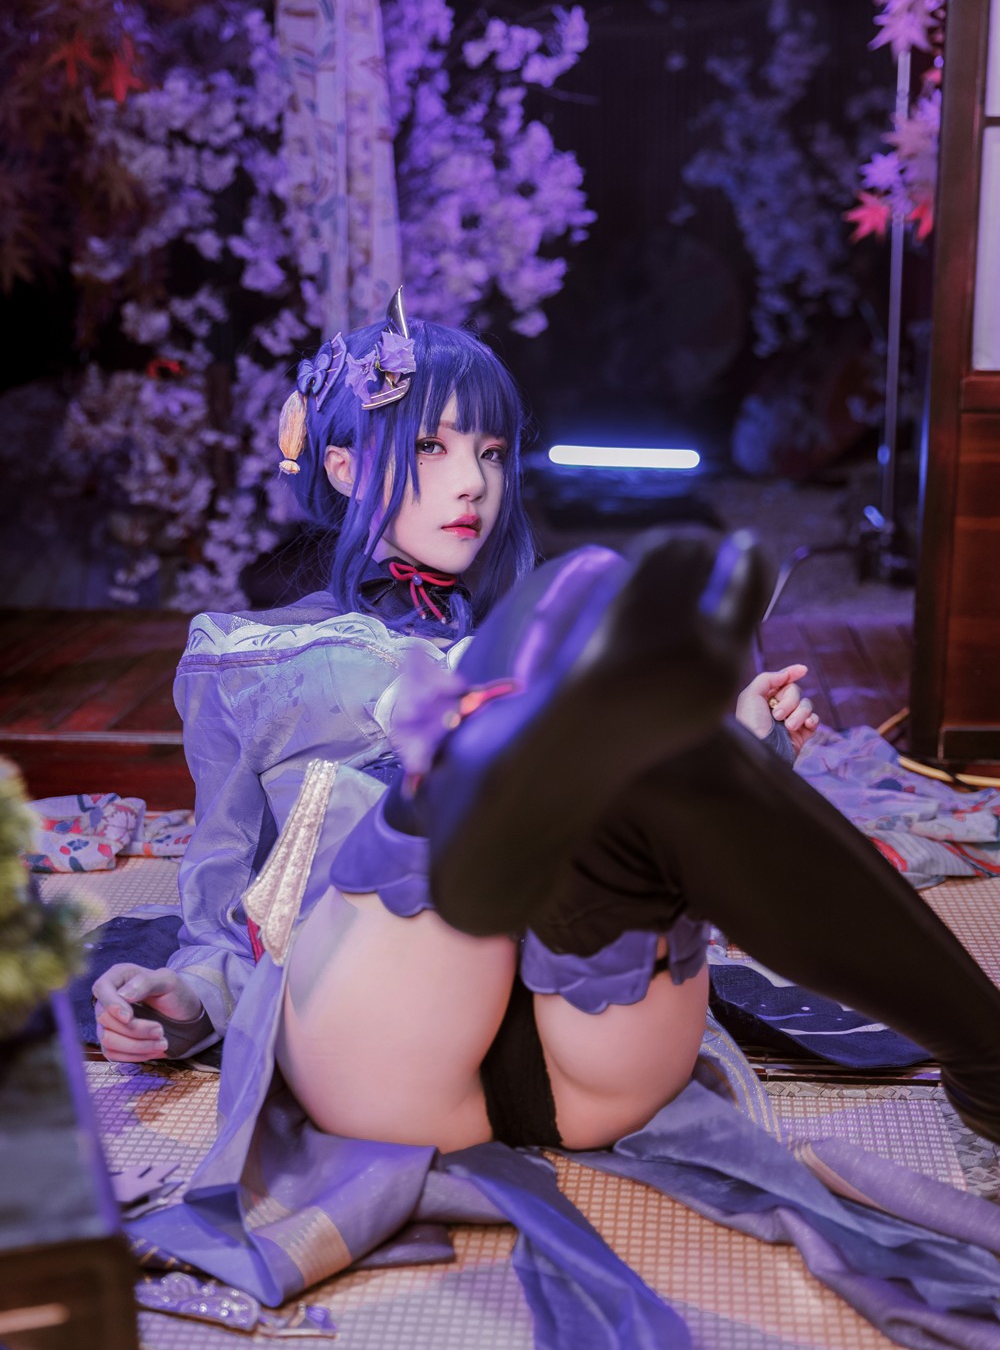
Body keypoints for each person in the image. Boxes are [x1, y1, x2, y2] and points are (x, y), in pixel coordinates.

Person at [92, 293, 1000, 1155]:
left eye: (491, 454)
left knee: (643, 741)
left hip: (579, 1064)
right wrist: (186, 997)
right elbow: (220, 895)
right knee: (551, 658)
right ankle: (506, 725)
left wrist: (748, 744)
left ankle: (990, 1060)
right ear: (345, 467)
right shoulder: (248, 662)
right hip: (384, 1040)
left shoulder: (516, 638)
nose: (473, 484)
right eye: (433, 447)